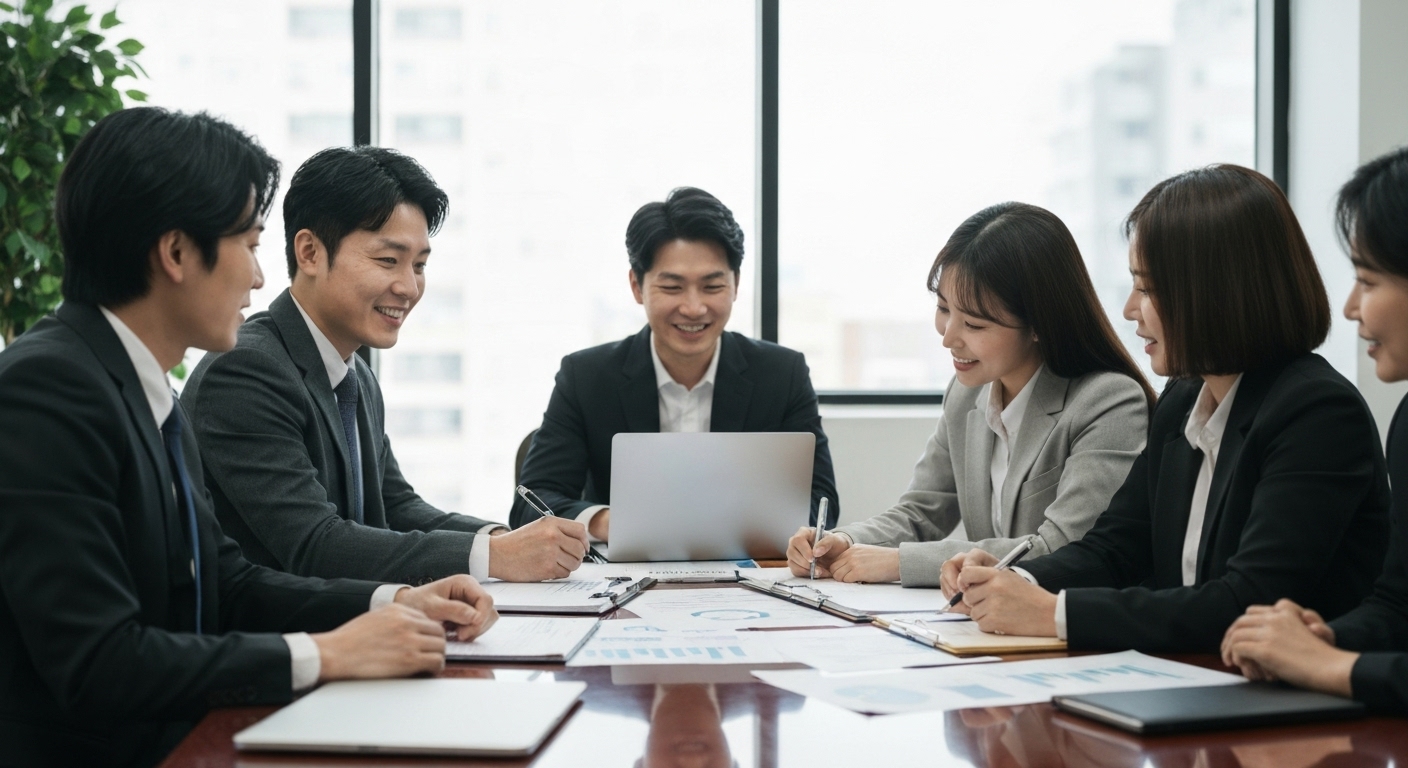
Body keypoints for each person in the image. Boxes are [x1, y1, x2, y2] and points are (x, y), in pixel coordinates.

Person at [0, 108, 498, 767]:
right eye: (251, 244)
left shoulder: (143, 387)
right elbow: (101, 660)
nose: (260, 278)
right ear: (176, 253)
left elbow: (226, 582)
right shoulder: (49, 388)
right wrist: (325, 654)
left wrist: (396, 600)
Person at [940, 164, 1390, 653]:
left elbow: (1249, 600)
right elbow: (1116, 547)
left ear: (1216, 292)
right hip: (1195, 678)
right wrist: (1015, 580)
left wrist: (1054, 613)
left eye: (1147, 288)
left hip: (1293, 706)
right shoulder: (1183, 399)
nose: (1131, 308)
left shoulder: (1317, 413)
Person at [182, 147, 587, 584]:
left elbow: (395, 507)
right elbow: (316, 544)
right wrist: (495, 555)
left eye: (420, 265)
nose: (409, 287)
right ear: (310, 252)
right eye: (388, 261)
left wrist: (506, 537)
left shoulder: (354, 373)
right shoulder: (246, 369)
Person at [785, 202, 1153, 585]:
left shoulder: (1109, 402)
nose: (948, 337)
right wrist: (843, 541)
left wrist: (900, 562)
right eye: (943, 308)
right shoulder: (966, 396)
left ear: (1039, 324)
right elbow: (921, 511)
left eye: (974, 324)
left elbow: (1065, 548)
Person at [511, 187, 839, 540]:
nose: (694, 308)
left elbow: (820, 505)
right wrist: (611, 523)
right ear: (637, 286)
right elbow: (531, 504)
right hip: (622, 578)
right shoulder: (587, 376)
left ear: (736, 285)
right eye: (672, 288)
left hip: (747, 572)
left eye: (712, 286)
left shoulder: (781, 374)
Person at [1222, 146, 1408, 712]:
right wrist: (1327, 639)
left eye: (1368, 281)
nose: (1351, 308)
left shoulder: (1315, 406)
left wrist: (1333, 667)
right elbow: (1398, 609)